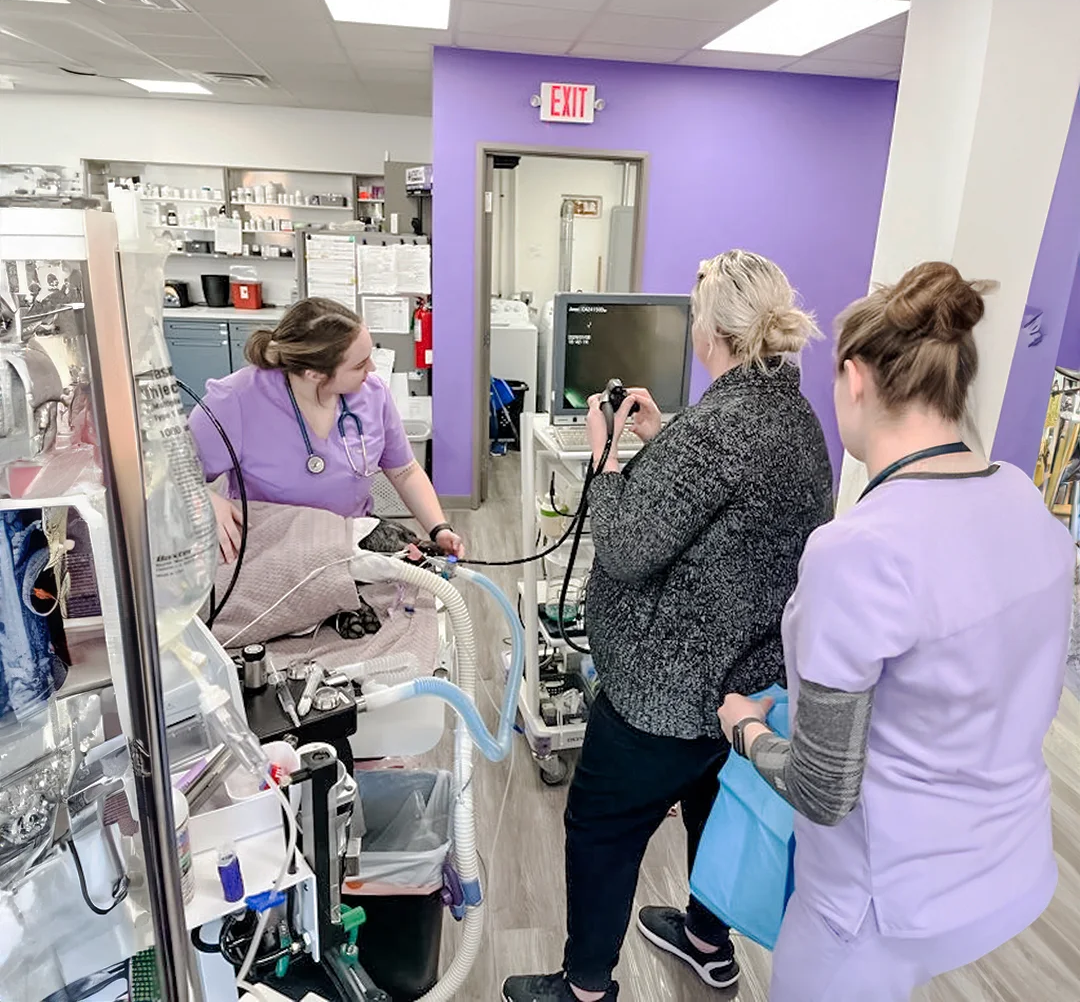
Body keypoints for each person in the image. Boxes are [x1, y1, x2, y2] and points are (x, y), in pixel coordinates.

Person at [718, 262, 1075, 1002]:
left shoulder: (859, 551)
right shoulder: (1022, 500)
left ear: (854, 378)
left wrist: (745, 727)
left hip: (879, 904)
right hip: (1008, 868)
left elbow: (821, 787)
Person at [504, 251, 834, 1002]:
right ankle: (705, 939)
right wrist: (663, 442)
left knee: (601, 828)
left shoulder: (717, 428)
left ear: (710, 328)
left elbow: (621, 550)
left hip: (665, 693)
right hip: (743, 688)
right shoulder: (793, 413)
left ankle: (585, 986)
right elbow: (725, 517)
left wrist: (606, 462)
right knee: (713, 811)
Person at [188, 297, 464, 562]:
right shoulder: (235, 401)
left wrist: (439, 528)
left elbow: (404, 471)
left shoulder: (372, 393)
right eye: (359, 365)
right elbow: (170, 476)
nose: (372, 367)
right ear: (315, 374)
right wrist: (205, 499)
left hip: (349, 539)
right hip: (271, 546)